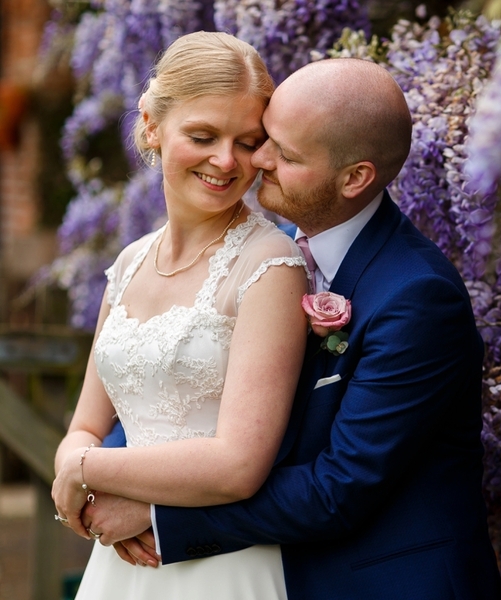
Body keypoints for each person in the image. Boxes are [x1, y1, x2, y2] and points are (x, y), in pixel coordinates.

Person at [85, 57, 501, 598]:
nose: (255, 160)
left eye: (281, 152)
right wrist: (107, 467)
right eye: (265, 139)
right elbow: (176, 388)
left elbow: (337, 489)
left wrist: (158, 515)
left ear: (355, 178)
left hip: (382, 583)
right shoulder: (265, 254)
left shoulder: (416, 297)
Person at [51, 31, 309, 599]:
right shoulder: (129, 262)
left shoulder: (270, 265)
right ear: (150, 124)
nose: (226, 160)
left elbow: (238, 463)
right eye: (203, 135)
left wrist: (87, 471)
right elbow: (85, 427)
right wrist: (76, 465)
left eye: (248, 141)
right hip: (122, 565)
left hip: (222, 567)